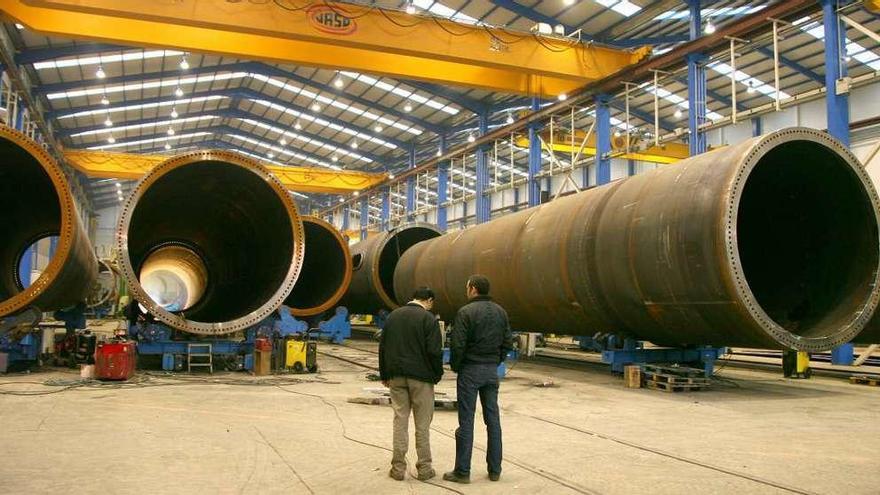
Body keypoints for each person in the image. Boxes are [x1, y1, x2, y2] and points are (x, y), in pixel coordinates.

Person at [444, 275, 514, 484]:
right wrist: (495, 361)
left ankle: (462, 472)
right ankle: (495, 470)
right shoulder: (501, 312)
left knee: (466, 421)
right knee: (493, 421)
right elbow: (508, 342)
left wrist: (458, 367)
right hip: (491, 371)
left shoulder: (466, 312)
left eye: (467, 287)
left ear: (473, 289)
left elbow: (458, 345)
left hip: (470, 370)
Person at [379, 286, 444, 481]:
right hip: (421, 378)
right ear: (429, 301)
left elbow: (383, 347)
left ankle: (398, 469)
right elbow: (434, 351)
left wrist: (384, 374)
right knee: (422, 425)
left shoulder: (393, 316)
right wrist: (436, 374)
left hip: (396, 376)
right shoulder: (428, 319)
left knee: (400, 420)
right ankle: (424, 468)